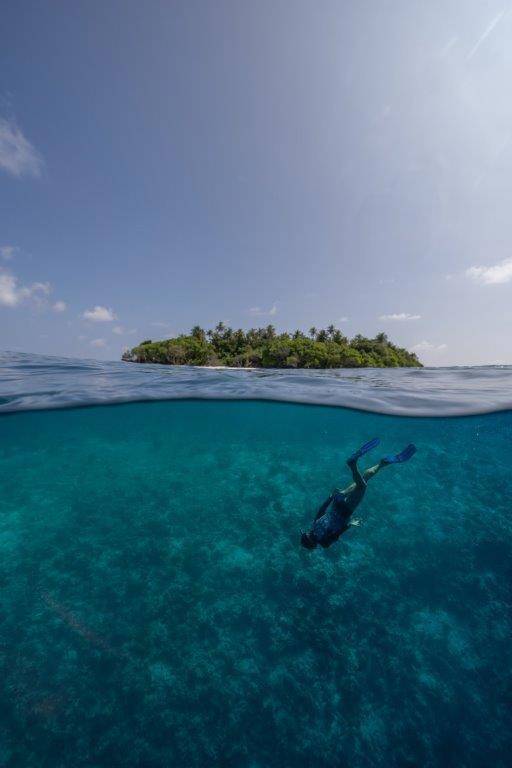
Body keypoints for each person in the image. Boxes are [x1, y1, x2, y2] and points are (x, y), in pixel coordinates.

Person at [300, 438, 416, 550]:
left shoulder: (324, 543)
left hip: (345, 511)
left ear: (313, 545)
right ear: (307, 535)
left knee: (362, 486)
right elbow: (322, 509)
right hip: (337, 503)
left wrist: (350, 524)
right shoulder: (314, 525)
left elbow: (337, 534)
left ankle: (352, 465)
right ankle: (382, 463)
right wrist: (330, 497)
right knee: (364, 479)